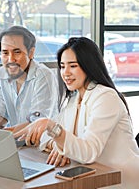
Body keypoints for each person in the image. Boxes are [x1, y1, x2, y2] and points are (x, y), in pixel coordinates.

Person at [14, 37, 139, 188]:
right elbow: (47, 140)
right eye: (62, 66)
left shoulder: (106, 97)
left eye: (73, 66)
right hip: (92, 177)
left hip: (120, 180)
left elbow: (88, 152)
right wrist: (63, 148)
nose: (65, 73)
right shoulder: (74, 99)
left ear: (88, 66)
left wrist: (54, 131)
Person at [0, 25, 59, 130]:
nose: (11, 59)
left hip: (41, 143)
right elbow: (1, 118)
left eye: (17, 52)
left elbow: (38, 123)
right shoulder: (1, 74)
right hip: (14, 141)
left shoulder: (44, 75)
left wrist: (4, 134)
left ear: (31, 53)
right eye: (5, 53)